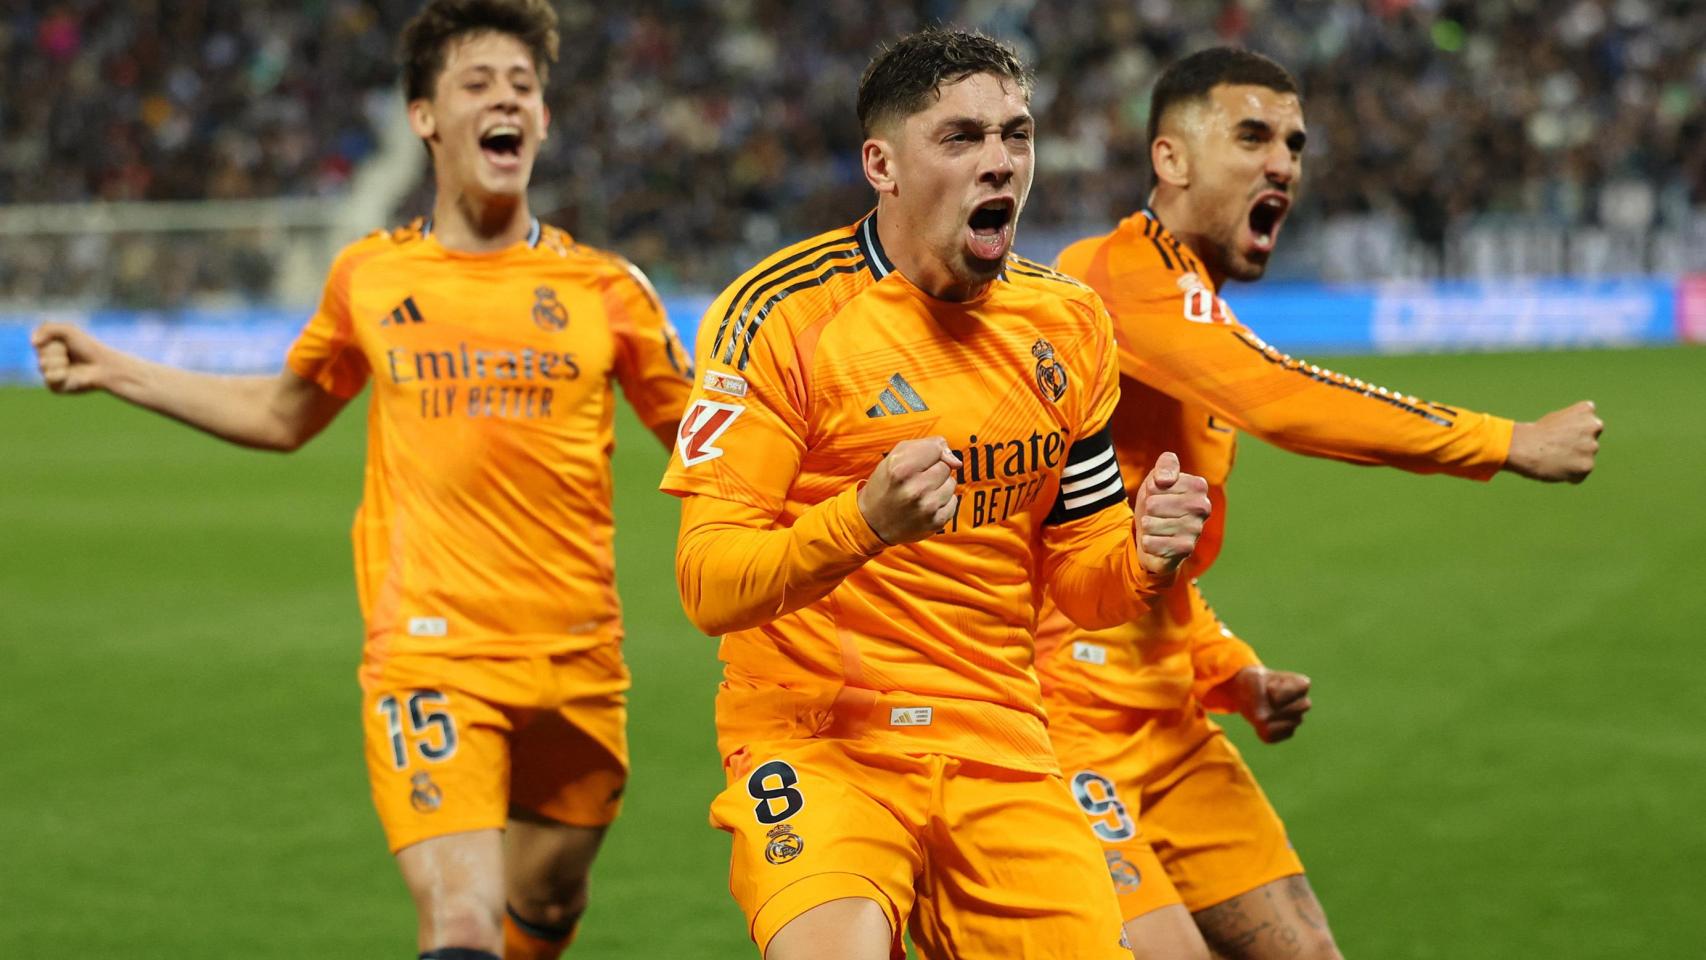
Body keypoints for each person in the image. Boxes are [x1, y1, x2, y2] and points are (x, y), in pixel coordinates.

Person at [30, 2, 693, 957]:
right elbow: (282, 415)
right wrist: (117, 367)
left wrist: (856, 507)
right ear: (424, 116)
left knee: (545, 906)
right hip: (432, 654)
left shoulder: (608, 290)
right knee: (460, 919)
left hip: (581, 659)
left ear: (544, 120)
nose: (507, 99)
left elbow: (712, 444)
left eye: (525, 87)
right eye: (478, 83)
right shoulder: (369, 278)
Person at [1039, 47, 1605, 960]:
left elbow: (1155, 562)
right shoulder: (1110, 278)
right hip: (1060, 725)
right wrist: (1506, 441)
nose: (1285, 165)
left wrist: (1232, 674)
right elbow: (1280, 398)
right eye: (1254, 136)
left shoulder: (1195, 324)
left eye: (1295, 144)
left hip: (1168, 716)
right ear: (1170, 160)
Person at [659, 27, 1213, 960]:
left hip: (998, 736)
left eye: (1016, 134)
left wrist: (1147, 557)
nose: (999, 162)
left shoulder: (1068, 325)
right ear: (882, 163)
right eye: (960, 138)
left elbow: (1082, 580)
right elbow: (708, 584)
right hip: (821, 736)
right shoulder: (780, 315)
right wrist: (863, 523)